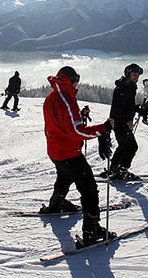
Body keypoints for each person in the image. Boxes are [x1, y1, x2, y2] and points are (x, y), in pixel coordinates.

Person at [40, 66, 116, 245]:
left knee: (65, 176)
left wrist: (79, 116)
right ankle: (92, 230)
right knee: (89, 188)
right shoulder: (66, 99)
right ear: (69, 80)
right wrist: (102, 129)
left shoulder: (52, 97)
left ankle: (55, 204)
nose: (77, 83)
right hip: (68, 152)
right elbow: (76, 132)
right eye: (76, 79)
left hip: (55, 151)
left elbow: (63, 123)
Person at [104, 63, 143, 181]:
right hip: (120, 122)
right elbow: (117, 109)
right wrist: (127, 120)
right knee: (132, 147)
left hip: (120, 122)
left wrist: (137, 108)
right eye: (134, 74)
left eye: (137, 74)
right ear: (127, 74)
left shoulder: (128, 86)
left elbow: (126, 105)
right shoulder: (124, 88)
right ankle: (122, 171)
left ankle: (114, 168)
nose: (136, 76)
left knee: (123, 145)